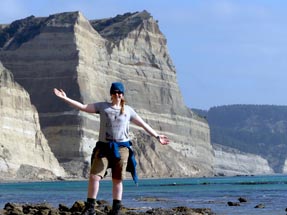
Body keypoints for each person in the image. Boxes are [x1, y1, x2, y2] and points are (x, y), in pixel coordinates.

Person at [54, 82, 169, 215]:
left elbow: (143, 124)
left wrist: (157, 136)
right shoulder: (103, 107)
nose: (117, 95)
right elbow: (83, 107)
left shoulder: (128, 110)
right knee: (94, 176)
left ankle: (116, 209)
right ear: (111, 94)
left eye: (119, 93)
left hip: (122, 148)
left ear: (123, 95)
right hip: (104, 147)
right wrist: (65, 98)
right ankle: (90, 207)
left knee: (117, 179)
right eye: (115, 92)